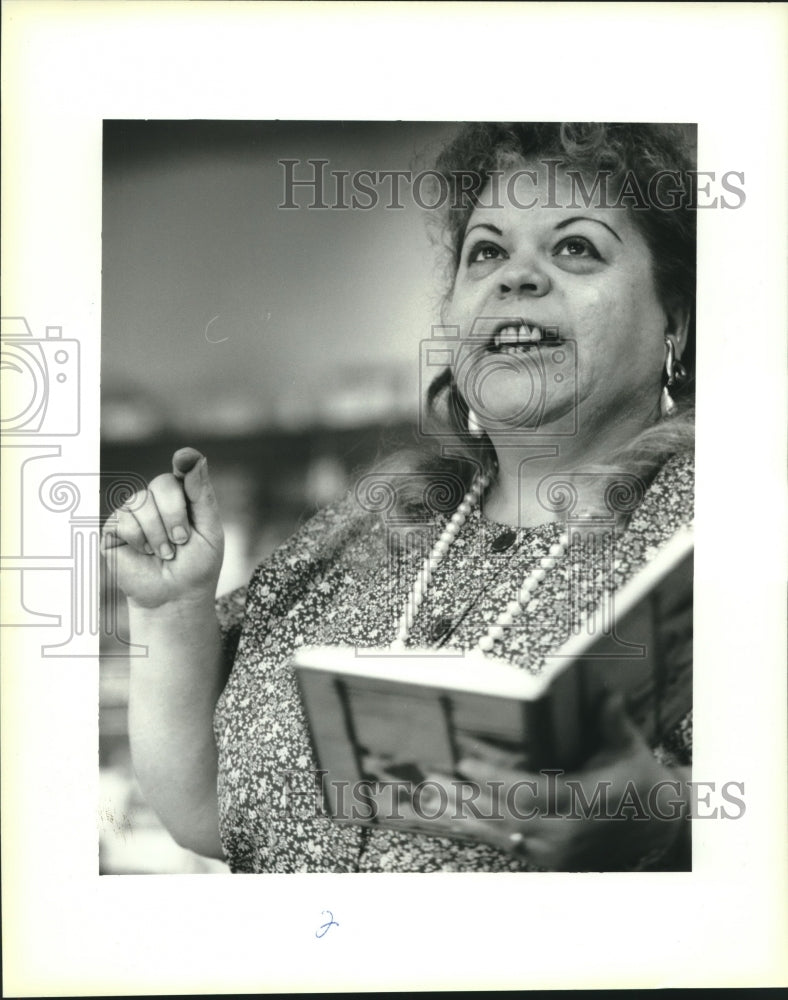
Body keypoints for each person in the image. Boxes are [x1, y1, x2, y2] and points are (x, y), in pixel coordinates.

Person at [102, 122, 696, 873]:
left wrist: (663, 827)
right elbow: (206, 813)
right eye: (487, 250)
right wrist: (172, 609)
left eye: (575, 247)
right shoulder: (371, 525)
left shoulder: (727, 528)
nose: (518, 276)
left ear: (674, 316)